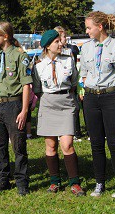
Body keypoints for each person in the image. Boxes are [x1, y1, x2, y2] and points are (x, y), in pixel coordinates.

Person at [80, 12, 115, 198]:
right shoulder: (85, 48)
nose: (86, 31)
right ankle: (99, 183)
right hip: (91, 98)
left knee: (114, 142)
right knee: (96, 143)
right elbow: (84, 73)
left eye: (89, 27)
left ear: (100, 27)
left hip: (111, 97)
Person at [0, 21, 33, 195]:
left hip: (14, 104)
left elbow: (26, 85)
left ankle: (21, 182)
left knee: (18, 145)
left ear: (6, 36)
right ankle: (2, 179)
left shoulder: (20, 55)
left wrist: (24, 110)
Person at [33, 29, 83, 195]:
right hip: (48, 103)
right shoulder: (38, 66)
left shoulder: (69, 61)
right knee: (51, 145)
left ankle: (75, 183)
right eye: (56, 42)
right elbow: (38, 89)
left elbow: (74, 81)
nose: (61, 44)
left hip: (66, 102)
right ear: (48, 46)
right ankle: (54, 181)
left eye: (60, 41)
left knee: (67, 144)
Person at [55, 25, 84, 140]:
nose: (65, 39)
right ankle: (59, 133)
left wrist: (73, 85)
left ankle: (74, 132)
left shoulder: (70, 50)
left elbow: (73, 70)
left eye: (65, 36)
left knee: (73, 109)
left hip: (70, 85)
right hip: (57, 88)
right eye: (63, 37)